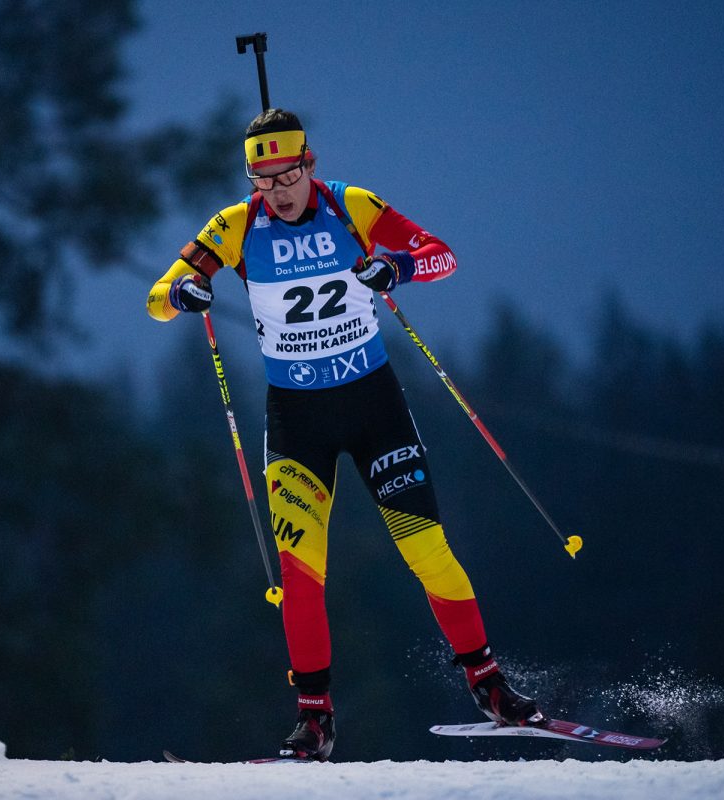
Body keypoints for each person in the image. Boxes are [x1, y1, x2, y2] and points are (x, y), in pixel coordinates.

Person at [146, 108, 546, 760]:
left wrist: (396, 268)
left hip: (372, 408)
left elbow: (441, 254)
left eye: (287, 175)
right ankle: (315, 719)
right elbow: (158, 296)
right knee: (302, 574)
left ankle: (489, 685)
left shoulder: (351, 205)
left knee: (427, 550)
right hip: (297, 420)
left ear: (310, 164)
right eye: (263, 179)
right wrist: (183, 293)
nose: (277, 191)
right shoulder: (236, 225)